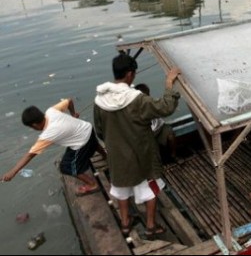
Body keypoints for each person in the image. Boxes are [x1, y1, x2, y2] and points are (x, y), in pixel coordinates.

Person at [93, 53, 181, 239]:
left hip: (117, 156)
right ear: (130, 74)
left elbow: (99, 131)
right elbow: (165, 108)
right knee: (150, 190)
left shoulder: (99, 100)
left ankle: (125, 224)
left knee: (121, 189)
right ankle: (151, 226)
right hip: (141, 156)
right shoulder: (137, 99)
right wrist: (169, 84)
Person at [2, 99, 106, 197]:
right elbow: (69, 101)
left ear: (34, 125)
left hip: (82, 141)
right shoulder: (50, 111)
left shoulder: (47, 134)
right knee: (93, 143)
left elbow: (30, 155)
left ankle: (92, 184)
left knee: (66, 167)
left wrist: (13, 172)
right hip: (87, 128)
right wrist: (73, 115)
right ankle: (105, 155)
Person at [134, 83, 177, 162]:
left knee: (170, 135)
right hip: (147, 133)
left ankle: (173, 156)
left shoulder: (152, 102)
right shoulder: (133, 109)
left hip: (160, 128)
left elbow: (165, 109)